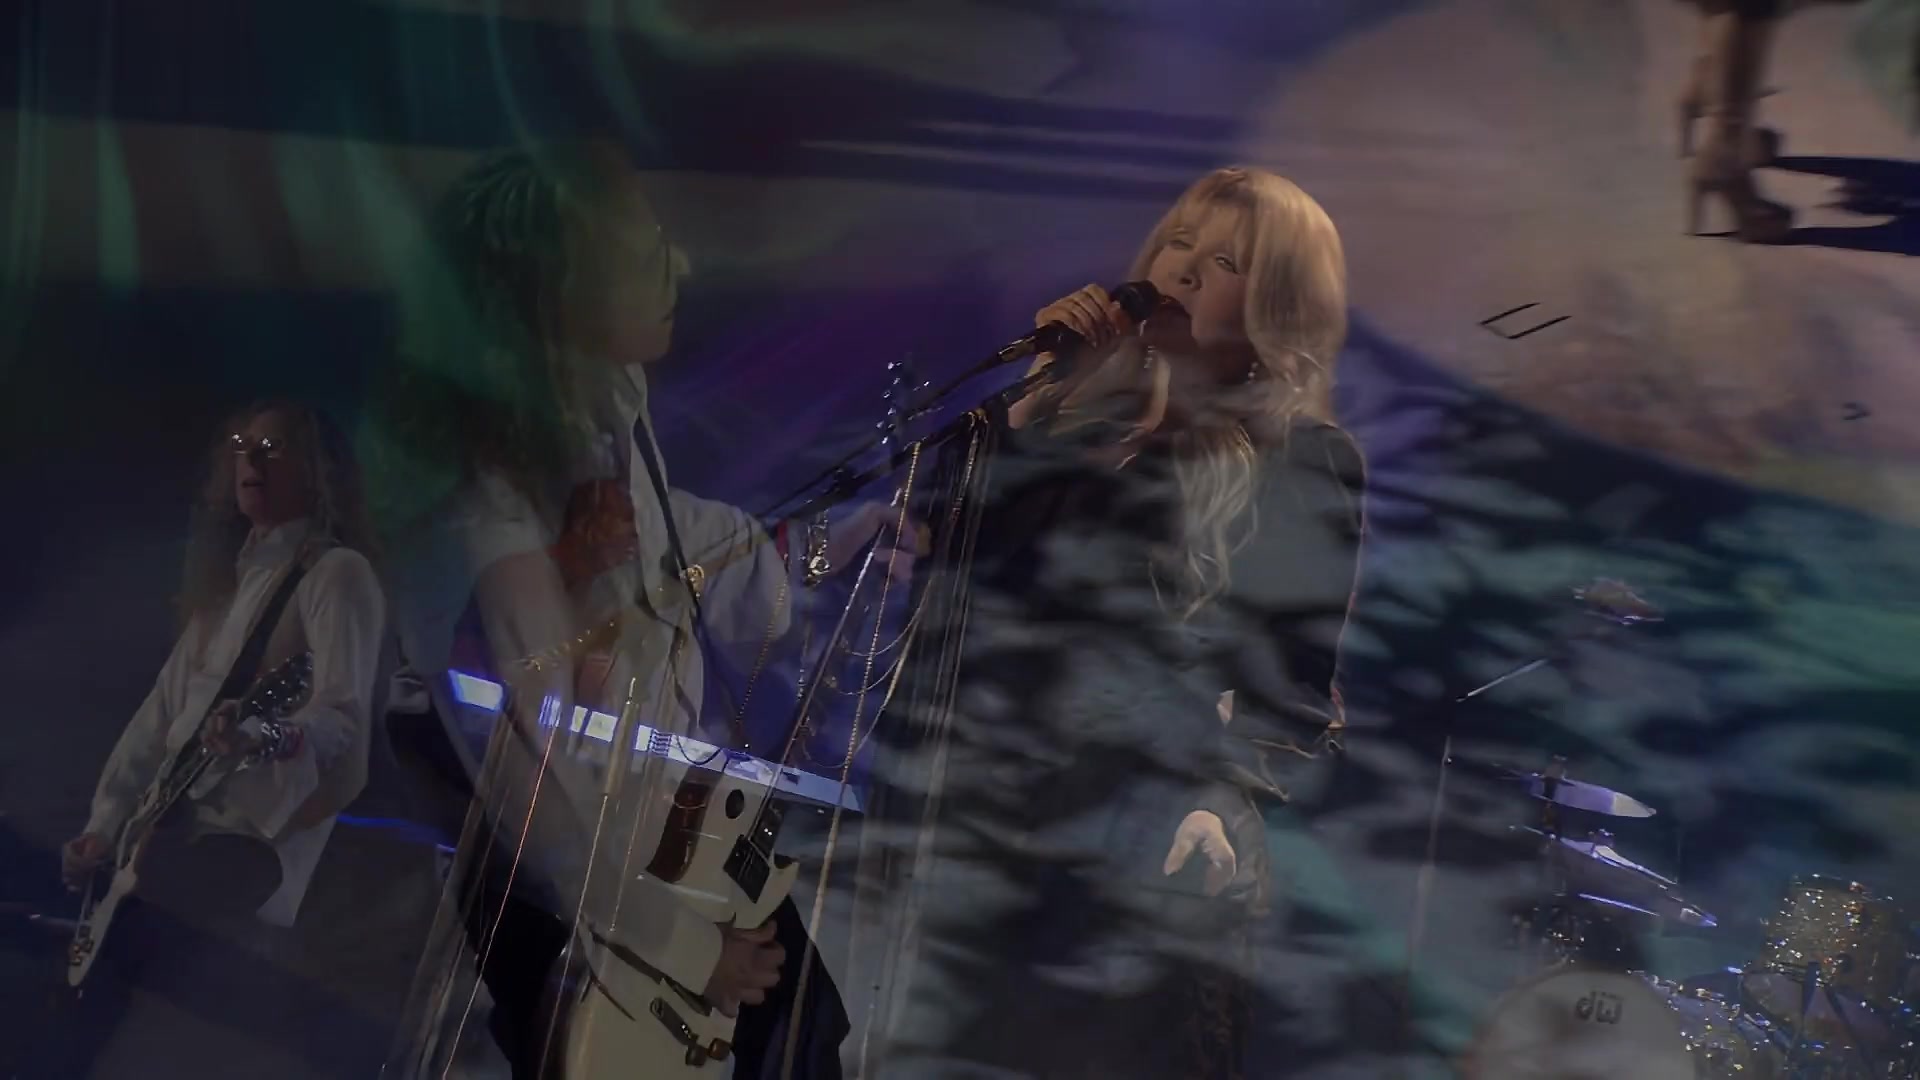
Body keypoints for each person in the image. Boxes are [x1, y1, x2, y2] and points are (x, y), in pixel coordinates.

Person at [365, 139, 901, 1079]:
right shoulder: (494, 507)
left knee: (803, 1033)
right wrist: (686, 949)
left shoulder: (602, 408)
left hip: (659, 832)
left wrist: (837, 543)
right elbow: (539, 782)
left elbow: (697, 549)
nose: (679, 264)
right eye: (645, 252)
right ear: (563, 291)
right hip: (574, 887)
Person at [879, 166, 1366, 1079]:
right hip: (973, 828)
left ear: (1278, 307)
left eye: (1226, 262)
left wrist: (1219, 796)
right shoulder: (1077, 426)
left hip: (1135, 851)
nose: (1184, 270)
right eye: (1178, 242)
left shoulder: (1302, 459)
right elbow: (946, 548)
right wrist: (1041, 389)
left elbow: (1294, 681)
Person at [44, 400, 388, 1079]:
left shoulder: (337, 575)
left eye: (274, 447)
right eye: (241, 444)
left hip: (242, 864)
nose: (250, 459)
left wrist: (262, 734)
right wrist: (103, 829)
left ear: (319, 470)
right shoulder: (227, 592)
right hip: (161, 855)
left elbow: (341, 718)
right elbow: (154, 727)